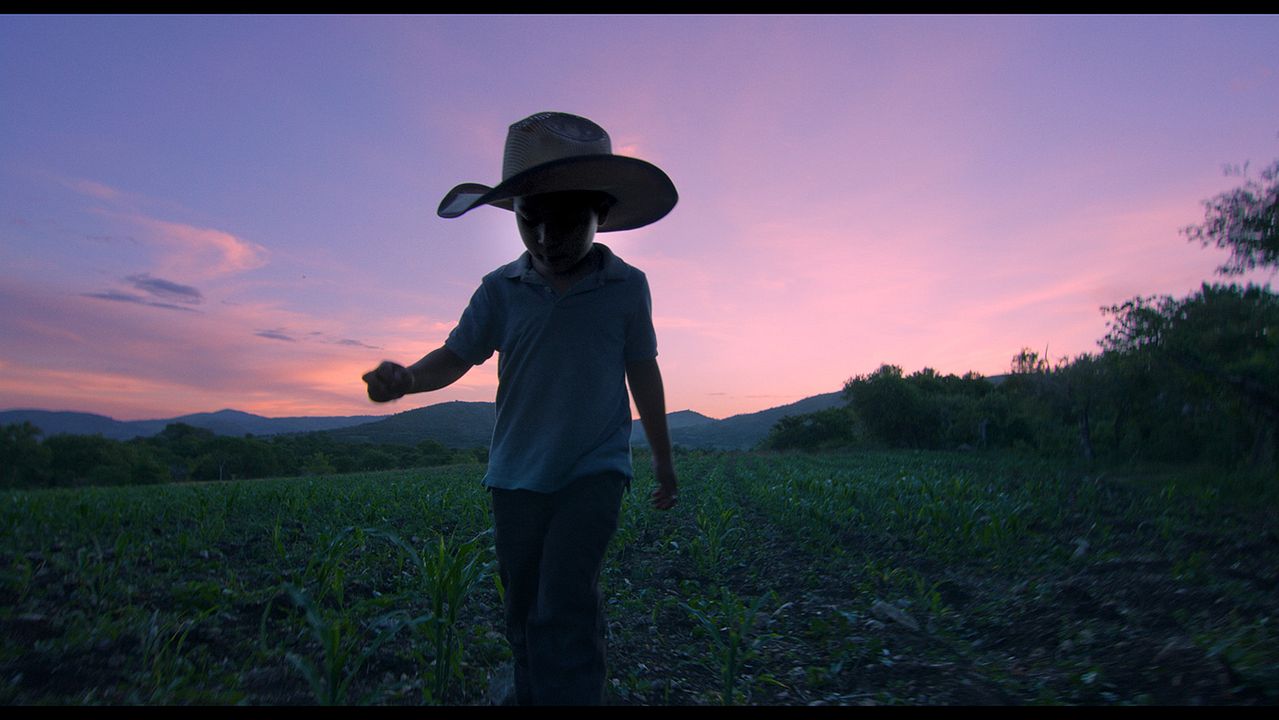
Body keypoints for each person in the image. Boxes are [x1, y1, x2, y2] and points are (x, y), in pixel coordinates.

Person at [361, 111, 679, 705]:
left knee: (564, 594)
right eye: (530, 222)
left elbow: (644, 371)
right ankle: (534, 690)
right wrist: (406, 378)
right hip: (514, 477)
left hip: (595, 469)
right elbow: (455, 356)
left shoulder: (626, 287)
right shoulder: (500, 290)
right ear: (514, 217)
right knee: (523, 601)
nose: (543, 239)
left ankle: (579, 694)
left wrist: (662, 460)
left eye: (564, 223)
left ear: (600, 216)